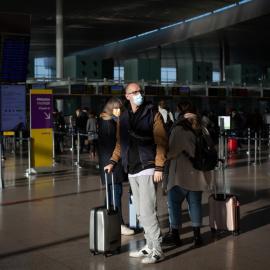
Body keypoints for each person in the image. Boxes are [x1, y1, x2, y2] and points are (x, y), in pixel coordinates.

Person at [104, 83, 168, 264]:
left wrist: (159, 167)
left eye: (139, 91)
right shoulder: (123, 118)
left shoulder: (152, 114)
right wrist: (112, 162)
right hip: (131, 169)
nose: (138, 94)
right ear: (127, 96)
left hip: (148, 166)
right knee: (140, 212)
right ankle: (149, 244)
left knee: (148, 211)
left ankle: (157, 249)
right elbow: (119, 143)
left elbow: (162, 142)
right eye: (134, 92)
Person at [162, 101, 214, 247]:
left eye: (177, 109)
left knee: (174, 203)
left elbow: (171, 152)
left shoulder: (179, 128)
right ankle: (197, 237)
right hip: (198, 173)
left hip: (181, 175)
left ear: (181, 111)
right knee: (195, 203)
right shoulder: (202, 127)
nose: (175, 111)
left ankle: (176, 235)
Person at [98, 98, 134, 236]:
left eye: (120, 108)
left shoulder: (108, 121)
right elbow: (115, 143)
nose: (119, 111)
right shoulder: (108, 122)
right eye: (116, 108)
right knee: (116, 192)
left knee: (112, 193)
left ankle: (110, 221)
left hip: (111, 162)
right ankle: (119, 223)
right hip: (112, 162)